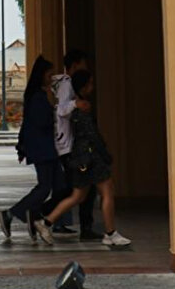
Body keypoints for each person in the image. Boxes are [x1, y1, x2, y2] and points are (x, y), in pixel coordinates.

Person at [36, 70, 132, 247]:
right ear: (83, 87)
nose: (92, 87)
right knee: (108, 191)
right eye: (90, 84)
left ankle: (46, 222)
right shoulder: (82, 107)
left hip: (79, 157)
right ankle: (111, 233)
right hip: (90, 156)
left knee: (78, 196)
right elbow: (91, 134)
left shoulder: (74, 106)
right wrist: (104, 153)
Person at [0, 55, 61, 245]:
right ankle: (14, 213)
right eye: (49, 74)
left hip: (45, 147)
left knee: (59, 187)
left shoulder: (38, 95)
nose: (51, 78)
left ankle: (34, 215)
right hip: (43, 148)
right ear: (42, 75)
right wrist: (56, 112)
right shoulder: (37, 97)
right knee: (45, 187)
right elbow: (40, 122)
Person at [43, 49, 100, 238]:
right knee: (76, 189)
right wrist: (77, 105)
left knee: (79, 189)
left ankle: (47, 216)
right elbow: (61, 110)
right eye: (83, 64)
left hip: (68, 144)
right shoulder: (67, 85)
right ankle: (42, 214)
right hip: (68, 145)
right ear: (75, 65)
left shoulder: (65, 84)